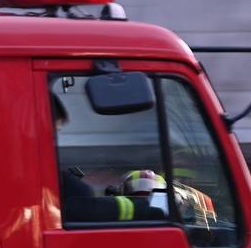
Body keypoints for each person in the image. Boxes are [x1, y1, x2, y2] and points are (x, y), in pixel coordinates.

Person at [51, 93, 166, 223]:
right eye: (53, 134)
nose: (54, 140)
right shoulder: (40, 169)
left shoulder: (47, 166)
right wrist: (142, 208)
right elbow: (77, 207)